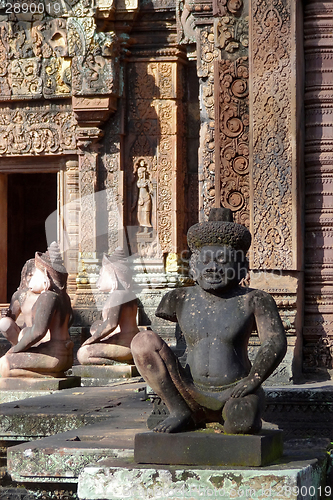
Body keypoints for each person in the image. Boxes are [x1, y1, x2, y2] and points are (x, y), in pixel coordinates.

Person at [131, 208, 287, 434]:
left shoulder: (255, 300)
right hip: (186, 387)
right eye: (205, 261)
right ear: (194, 267)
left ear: (241, 267)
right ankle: (179, 411)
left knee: (242, 423)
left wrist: (253, 380)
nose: (213, 267)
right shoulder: (179, 298)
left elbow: (274, 343)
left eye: (222, 261)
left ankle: (212, 414)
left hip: (236, 391)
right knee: (142, 341)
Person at [0, 242, 74, 378]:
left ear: (46, 276)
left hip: (52, 355)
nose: (31, 279)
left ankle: (43, 376)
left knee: (4, 364)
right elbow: (70, 320)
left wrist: (14, 350)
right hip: (65, 354)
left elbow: (38, 332)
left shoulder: (47, 296)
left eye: (35, 274)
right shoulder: (64, 297)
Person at [77, 247, 139, 365]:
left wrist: (90, 340)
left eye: (101, 274)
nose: (98, 281)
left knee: (83, 353)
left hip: (125, 344)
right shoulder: (129, 294)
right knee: (96, 326)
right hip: (130, 341)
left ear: (113, 276)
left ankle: (120, 363)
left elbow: (111, 324)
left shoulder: (118, 294)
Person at [0, 258, 37, 346]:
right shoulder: (20, 295)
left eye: (35, 276)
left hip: (44, 339)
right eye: (29, 275)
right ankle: (18, 347)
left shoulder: (49, 296)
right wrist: (5, 315)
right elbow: (11, 319)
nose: (31, 280)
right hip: (23, 337)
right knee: (5, 323)